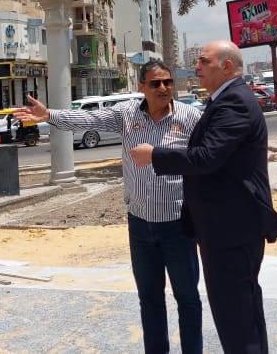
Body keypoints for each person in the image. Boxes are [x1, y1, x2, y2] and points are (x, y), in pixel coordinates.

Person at [14, 60, 203, 354]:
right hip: (140, 226)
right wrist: (49, 115)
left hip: (178, 225)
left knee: (188, 298)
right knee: (149, 299)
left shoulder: (190, 117)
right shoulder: (126, 114)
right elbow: (88, 119)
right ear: (142, 87)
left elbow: (206, 157)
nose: (163, 88)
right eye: (155, 83)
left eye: (167, 82)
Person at [131, 40, 277, 354]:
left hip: (231, 229)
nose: (197, 67)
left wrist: (155, 155)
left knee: (237, 318)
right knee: (240, 315)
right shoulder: (225, 100)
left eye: (204, 61)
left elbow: (207, 157)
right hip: (224, 228)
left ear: (226, 66)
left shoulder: (235, 102)